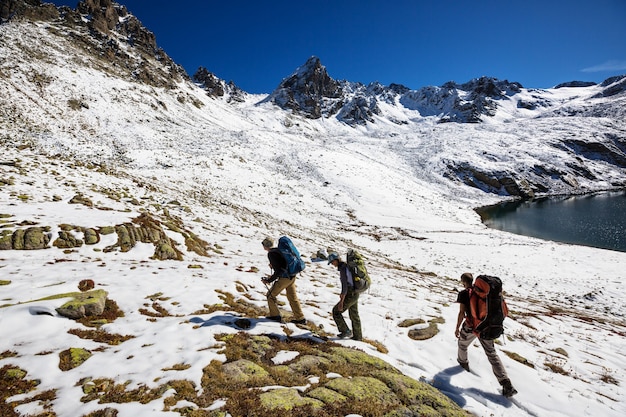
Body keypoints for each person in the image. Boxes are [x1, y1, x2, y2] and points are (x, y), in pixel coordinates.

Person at [455, 272, 517, 397]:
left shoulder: (464, 294)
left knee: (462, 344)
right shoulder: (485, 295)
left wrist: (457, 328)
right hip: (486, 327)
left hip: (471, 327)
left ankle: (463, 365)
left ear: (463, 282)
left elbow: (462, 313)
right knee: (492, 354)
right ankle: (506, 383)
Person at [261, 237, 306, 324]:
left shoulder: (272, 254)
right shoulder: (279, 250)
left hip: (285, 278)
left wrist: (269, 280)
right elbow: (282, 264)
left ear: (265, 246)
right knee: (292, 297)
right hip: (292, 276)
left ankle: (275, 316)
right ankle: (300, 318)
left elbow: (280, 270)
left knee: (270, 296)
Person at [328, 252, 362, 341]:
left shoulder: (343, 269)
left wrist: (341, 301)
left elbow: (345, 285)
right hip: (356, 291)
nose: (332, 264)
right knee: (354, 315)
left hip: (350, 293)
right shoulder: (348, 266)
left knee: (336, 311)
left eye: (332, 262)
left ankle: (345, 331)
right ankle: (358, 336)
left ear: (336, 260)